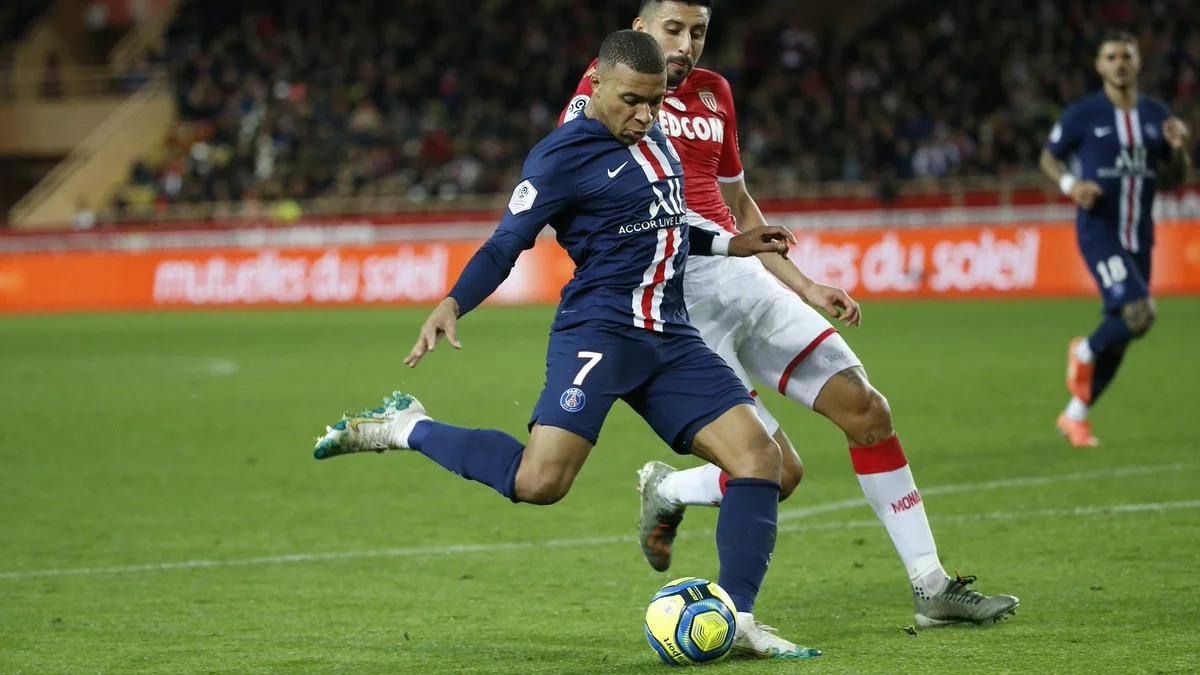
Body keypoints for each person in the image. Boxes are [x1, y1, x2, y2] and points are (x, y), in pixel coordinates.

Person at [312, 29, 820, 660]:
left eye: (655, 101)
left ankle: (738, 620)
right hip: (599, 333)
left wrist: (729, 242)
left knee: (760, 459)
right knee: (540, 482)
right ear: (596, 83)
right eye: (631, 100)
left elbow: (666, 223)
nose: (645, 114)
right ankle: (405, 427)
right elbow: (506, 242)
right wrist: (453, 302)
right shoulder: (560, 156)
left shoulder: (653, 136)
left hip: (670, 336)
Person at [561, 0, 1019, 628]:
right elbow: (579, 190)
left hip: (744, 275)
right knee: (777, 472)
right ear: (638, 30)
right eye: (673, 30)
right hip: (675, 299)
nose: (686, 44)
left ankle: (931, 585)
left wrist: (806, 284)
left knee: (867, 409)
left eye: (698, 32)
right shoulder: (603, 94)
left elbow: (739, 203)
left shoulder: (715, 93)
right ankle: (670, 492)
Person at [1040, 30, 1191, 448]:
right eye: (1111, 57)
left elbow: (1173, 179)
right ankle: (1084, 352)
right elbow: (1048, 157)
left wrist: (1179, 149)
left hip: (1139, 235)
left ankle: (1075, 416)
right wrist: (1071, 185)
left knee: (1125, 332)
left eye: (1127, 56)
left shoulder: (1156, 114)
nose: (1119, 63)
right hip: (1100, 230)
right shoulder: (1084, 113)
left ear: (1138, 63)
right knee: (1141, 313)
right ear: (1099, 65)